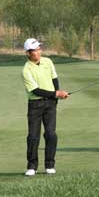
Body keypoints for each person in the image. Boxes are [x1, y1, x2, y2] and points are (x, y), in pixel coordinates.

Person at [21, 38, 69, 176]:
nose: (38, 52)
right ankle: (32, 166)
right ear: (28, 53)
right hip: (35, 105)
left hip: (50, 104)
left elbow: (55, 79)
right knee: (33, 137)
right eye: (35, 50)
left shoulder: (48, 62)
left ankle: (50, 165)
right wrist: (56, 94)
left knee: (51, 134)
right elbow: (36, 90)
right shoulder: (26, 70)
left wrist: (56, 96)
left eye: (39, 49)